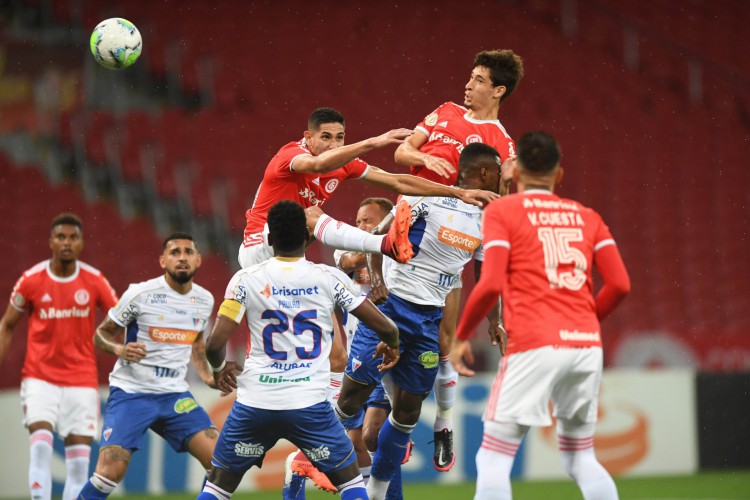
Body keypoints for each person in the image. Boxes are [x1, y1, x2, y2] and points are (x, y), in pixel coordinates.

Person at [452, 131, 631, 500]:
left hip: (533, 343)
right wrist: (584, 321)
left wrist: (460, 337)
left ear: (514, 172)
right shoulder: (588, 217)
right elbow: (620, 285)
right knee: (581, 458)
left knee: (494, 458)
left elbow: (489, 285)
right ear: (559, 174)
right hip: (585, 346)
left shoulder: (503, 211)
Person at [197, 200, 401, 500]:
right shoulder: (327, 278)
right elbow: (386, 327)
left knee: (217, 488)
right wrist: (393, 345)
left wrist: (218, 370)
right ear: (309, 238)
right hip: (310, 407)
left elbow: (214, 345)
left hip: (255, 404)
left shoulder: (244, 279)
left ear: (268, 240)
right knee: (352, 484)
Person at [334, 143, 505, 500]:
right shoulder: (424, 199)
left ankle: (378, 492)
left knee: (408, 412)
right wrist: (378, 284)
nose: (504, 181)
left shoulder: (485, 220)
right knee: (351, 400)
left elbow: (485, 273)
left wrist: (495, 319)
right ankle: (312, 458)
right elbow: (375, 240)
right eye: (500, 174)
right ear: (486, 174)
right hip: (389, 311)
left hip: (428, 319)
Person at [393, 48, 524, 471]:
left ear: (499, 90)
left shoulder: (504, 144)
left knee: (441, 346)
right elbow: (401, 155)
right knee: (383, 337)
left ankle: (442, 424)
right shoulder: (444, 111)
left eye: (479, 80)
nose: (468, 85)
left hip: (449, 245)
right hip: (408, 223)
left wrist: (494, 316)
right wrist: (423, 157)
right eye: (470, 77)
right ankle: (395, 427)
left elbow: (499, 209)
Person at [283, 197, 408, 500]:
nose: (361, 225)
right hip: (354, 358)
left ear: (386, 222)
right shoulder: (347, 252)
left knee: (373, 434)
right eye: (359, 219)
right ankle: (299, 471)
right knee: (353, 441)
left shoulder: (401, 256)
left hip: (383, 354)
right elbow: (352, 261)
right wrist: (382, 239)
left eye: (368, 220)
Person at [77, 233, 218, 499]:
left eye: (188, 252)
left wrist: (206, 375)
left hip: (174, 395)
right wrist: (120, 349)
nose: (182, 257)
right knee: (110, 471)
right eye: (175, 252)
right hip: (132, 392)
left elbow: (196, 342)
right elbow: (100, 334)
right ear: (162, 260)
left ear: (198, 260)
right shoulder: (140, 294)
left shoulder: (204, 300)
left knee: (221, 462)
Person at [0, 213, 118, 500]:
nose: (66, 243)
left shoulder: (94, 280)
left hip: (81, 381)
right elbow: (7, 325)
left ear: (81, 243)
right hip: (40, 378)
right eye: (61, 237)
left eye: (73, 237)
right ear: (51, 241)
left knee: (78, 466)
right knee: (40, 446)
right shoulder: (30, 280)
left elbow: (119, 318)